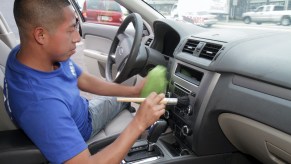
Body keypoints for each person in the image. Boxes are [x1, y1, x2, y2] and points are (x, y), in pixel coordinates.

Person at [3, 0, 165, 163]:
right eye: (71, 29)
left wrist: (134, 91)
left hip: (78, 111)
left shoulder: (33, 54)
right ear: (41, 35)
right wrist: (139, 123)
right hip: (84, 127)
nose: (78, 37)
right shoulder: (41, 104)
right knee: (126, 105)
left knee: (126, 99)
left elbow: (81, 78)